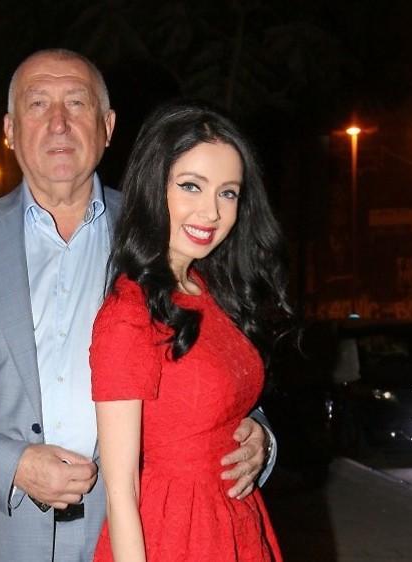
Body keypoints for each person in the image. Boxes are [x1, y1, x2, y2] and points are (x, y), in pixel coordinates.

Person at [0, 49, 276, 562]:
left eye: (76, 103)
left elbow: (212, 361)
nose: (58, 122)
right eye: (38, 104)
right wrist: (13, 464)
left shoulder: (165, 232)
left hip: (136, 524)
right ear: (9, 130)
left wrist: (259, 435)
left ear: (107, 126)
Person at [91, 101, 291, 561]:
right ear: (153, 186)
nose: (211, 212)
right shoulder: (129, 313)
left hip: (234, 520)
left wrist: (255, 434)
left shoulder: (210, 289)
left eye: (228, 193)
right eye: (191, 186)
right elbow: (120, 491)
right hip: (174, 532)